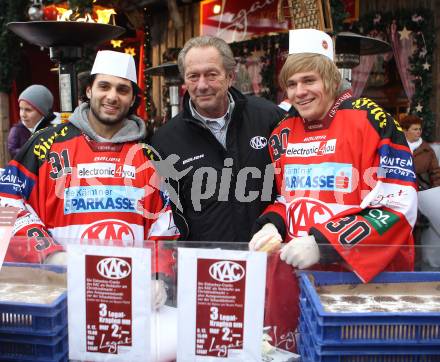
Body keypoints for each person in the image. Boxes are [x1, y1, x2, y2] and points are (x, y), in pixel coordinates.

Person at [249, 29, 418, 351]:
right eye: (292, 83)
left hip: (358, 284)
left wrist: (325, 242)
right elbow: (287, 197)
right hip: (293, 277)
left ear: (329, 78)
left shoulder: (372, 117)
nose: (299, 92)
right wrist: (273, 223)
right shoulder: (283, 132)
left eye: (309, 80)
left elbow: (398, 202)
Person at [0, 51, 179, 306]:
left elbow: (165, 222)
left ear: (132, 100)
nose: (112, 96)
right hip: (59, 293)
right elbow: (6, 202)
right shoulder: (45, 143)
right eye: (104, 86)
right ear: (88, 91)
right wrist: (48, 253)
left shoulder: (148, 156)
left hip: (129, 298)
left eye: (122, 89)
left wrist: (157, 275)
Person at [150, 35, 285, 243]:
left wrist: (275, 224)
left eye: (211, 75)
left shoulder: (269, 119)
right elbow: (166, 217)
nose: (202, 85)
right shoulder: (165, 141)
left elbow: (292, 188)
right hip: (203, 267)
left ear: (231, 76)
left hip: (268, 260)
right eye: (193, 76)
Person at [400, 114, 440, 269]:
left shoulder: (426, 150)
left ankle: (419, 263)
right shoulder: (397, 147)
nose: (418, 132)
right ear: (405, 131)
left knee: (421, 229)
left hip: (422, 195)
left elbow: (435, 173)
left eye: (419, 129)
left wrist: (436, 193)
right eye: (415, 129)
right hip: (402, 194)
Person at [8, 84, 55, 158]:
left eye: (28, 110)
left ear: (42, 112)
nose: (23, 114)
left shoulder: (53, 130)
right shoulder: (17, 129)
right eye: (21, 108)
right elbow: (12, 150)